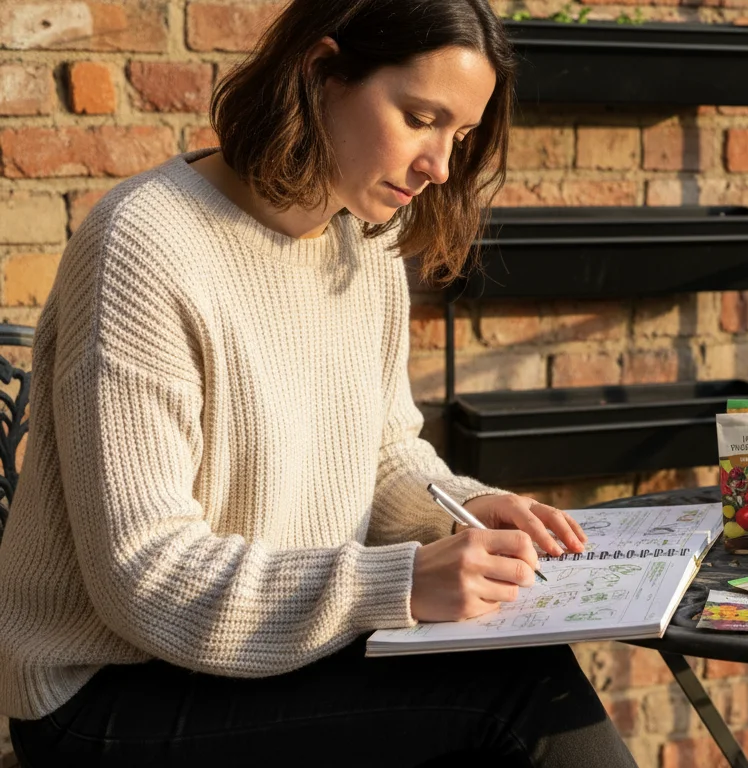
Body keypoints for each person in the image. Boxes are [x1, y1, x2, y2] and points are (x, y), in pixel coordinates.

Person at [0, 0, 639, 765]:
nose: (439, 165)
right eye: (418, 117)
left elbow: (382, 453)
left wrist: (465, 509)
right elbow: (145, 575)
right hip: (109, 689)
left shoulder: (362, 246)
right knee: (515, 698)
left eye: (459, 136)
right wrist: (396, 583)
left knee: (526, 670)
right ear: (321, 71)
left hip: (277, 655)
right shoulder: (144, 246)